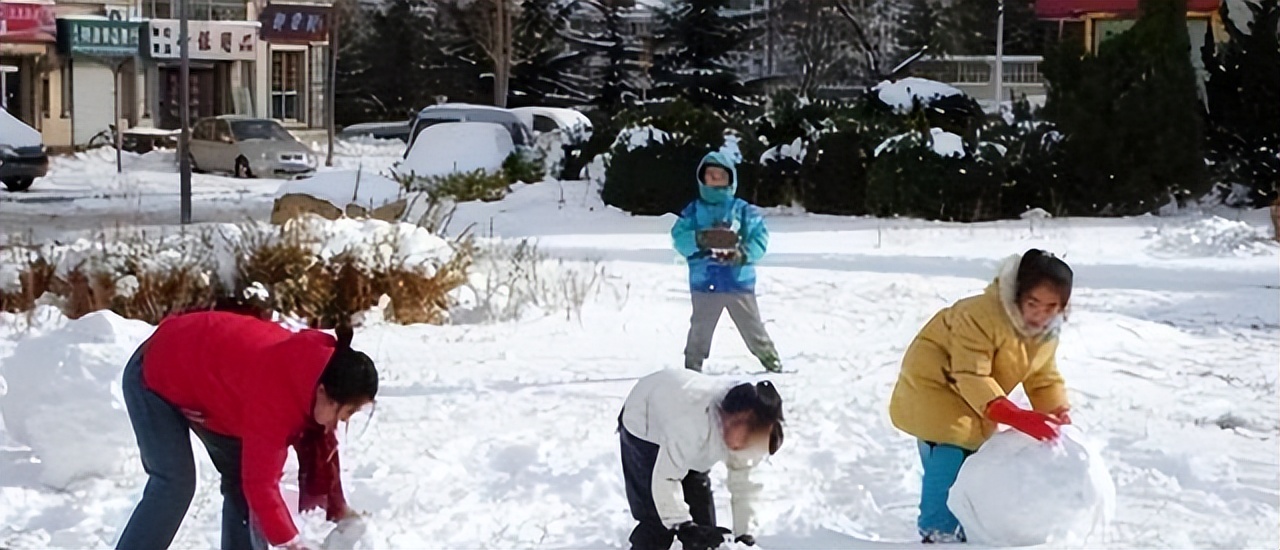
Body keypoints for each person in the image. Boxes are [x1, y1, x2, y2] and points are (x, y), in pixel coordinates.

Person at [117, 310, 379, 550]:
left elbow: (318, 458)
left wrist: (339, 509)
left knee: (240, 479)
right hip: (155, 369)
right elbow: (261, 484)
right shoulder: (276, 399)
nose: (341, 422)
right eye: (346, 413)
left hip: (211, 385)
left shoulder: (319, 372)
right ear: (324, 394)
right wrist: (292, 544)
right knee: (175, 483)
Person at [888, 249, 1075, 544]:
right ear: (1017, 295)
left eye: (1051, 307)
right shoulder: (980, 315)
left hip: (975, 395)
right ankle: (938, 528)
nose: (1041, 313)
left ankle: (966, 517)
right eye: (1033, 303)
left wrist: (1056, 411)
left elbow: (1042, 377)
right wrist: (1012, 413)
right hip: (936, 384)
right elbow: (971, 373)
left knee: (975, 454)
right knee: (952, 444)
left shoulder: (1044, 335)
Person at [618, 368, 785, 550]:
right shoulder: (690, 424)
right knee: (657, 520)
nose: (742, 444)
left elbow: (744, 484)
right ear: (728, 415)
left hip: (690, 443)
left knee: (705, 531)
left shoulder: (752, 433)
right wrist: (683, 526)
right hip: (646, 420)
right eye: (737, 426)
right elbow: (665, 478)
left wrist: (745, 533)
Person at [671, 150, 783, 373]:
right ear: (701, 178)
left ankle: (771, 361)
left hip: (738, 280)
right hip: (705, 282)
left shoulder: (743, 210)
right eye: (710, 175)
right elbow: (679, 237)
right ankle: (692, 367)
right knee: (700, 328)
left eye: (720, 175)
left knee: (752, 326)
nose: (715, 180)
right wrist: (700, 239)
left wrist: (743, 254)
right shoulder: (693, 211)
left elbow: (760, 238)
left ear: (730, 178)